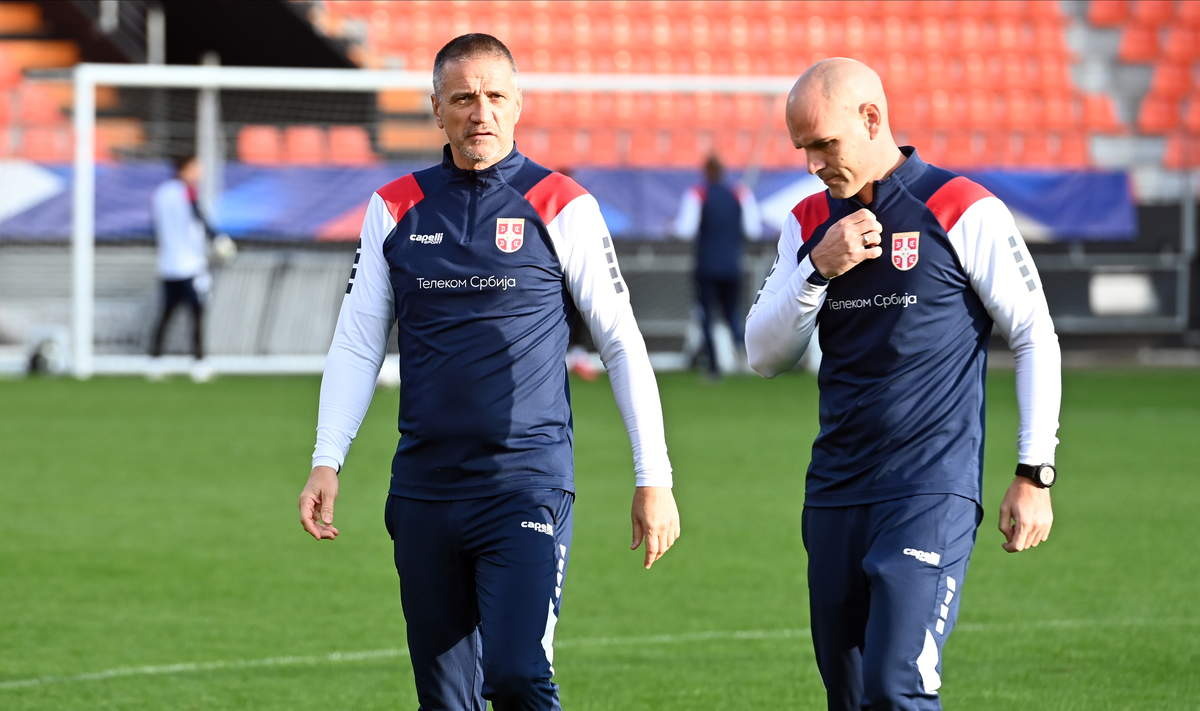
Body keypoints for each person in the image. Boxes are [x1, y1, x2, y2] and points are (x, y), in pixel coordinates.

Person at [297, 34, 680, 711]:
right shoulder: (394, 207)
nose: (481, 112)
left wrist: (654, 477)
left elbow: (621, 342)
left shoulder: (563, 204)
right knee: (447, 700)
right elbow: (357, 344)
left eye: (495, 96)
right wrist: (327, 458)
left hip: (524, 486)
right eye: (463, 98)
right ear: (436, 109)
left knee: (517, 674)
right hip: (424, 491)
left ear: (518, 104)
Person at [745, 58, 1061, 710]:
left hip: (928, 489)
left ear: (871, 119)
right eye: (802, 149)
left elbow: (1033, 333)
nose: (813, 164)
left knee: (897, 688)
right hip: (834, 493)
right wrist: (816, 269)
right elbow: (763, 354)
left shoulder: (961, 207)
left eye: (824, 144)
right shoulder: (807, 222)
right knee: (850, 695)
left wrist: (1035, 472)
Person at [673, 154, 762, 377]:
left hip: (707, 265)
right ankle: (741, 356)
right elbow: (753, 231)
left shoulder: (698, 194)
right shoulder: (740, 195)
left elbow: (685, 230)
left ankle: (713, 366)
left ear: (706, 172)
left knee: (706, 315)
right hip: (732, 264)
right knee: (733, 313)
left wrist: (670, 228)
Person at [148, 154, 234, 382]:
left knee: (166, 314)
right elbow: (198, 215)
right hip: (190, 265)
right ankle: (199, 362)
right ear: (184, 168)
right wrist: (218, 239)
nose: (199, 172)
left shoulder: (161, 193)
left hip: (168, 264)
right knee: (197, 314)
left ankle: (155, 360)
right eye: (196, 167)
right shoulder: (186, 191)